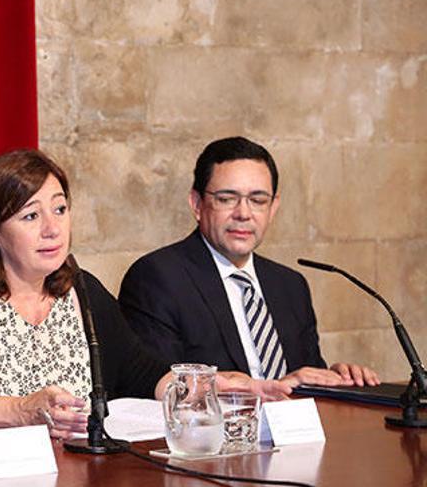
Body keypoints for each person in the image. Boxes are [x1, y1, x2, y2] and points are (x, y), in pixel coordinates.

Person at [0, 148, 291, 439]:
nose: (52, 228)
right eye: (31, 215)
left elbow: (143, 374)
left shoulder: (82, 291)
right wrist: (19, 410)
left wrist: (216, 386)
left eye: (60, 209)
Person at [118, 137, 380, 388]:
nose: (243, 214)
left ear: (273, 208)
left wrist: (336, 379)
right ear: (197, 204)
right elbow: (163, 387)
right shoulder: (157, 278)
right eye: (226, 199)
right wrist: (276, 387)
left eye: (257, 200)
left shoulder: (290, 285)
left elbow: (307, 376)